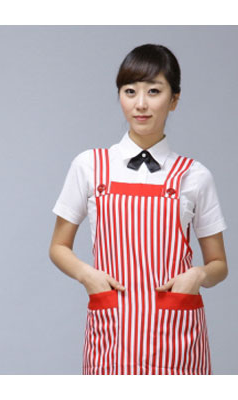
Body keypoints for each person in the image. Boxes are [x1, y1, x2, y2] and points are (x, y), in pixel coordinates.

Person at [49, 43, 228, 375]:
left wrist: (199, 275)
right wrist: (87, 275)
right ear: (119, 95)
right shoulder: (90, 166)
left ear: (174, 99)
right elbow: (58, 246)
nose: (141, 104)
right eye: (130, 91)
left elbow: (219, 263)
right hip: (112, 330)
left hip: (176, 335)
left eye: (154, 91)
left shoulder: (195, 175)